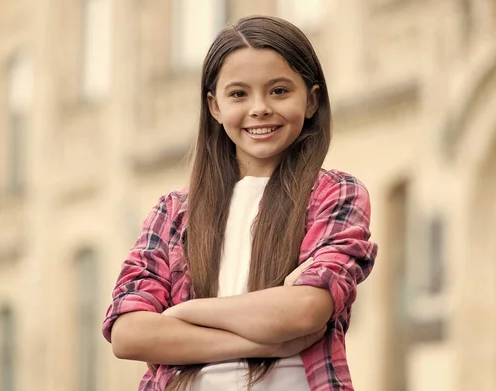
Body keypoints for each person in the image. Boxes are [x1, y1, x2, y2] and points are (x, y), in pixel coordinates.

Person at [102, 15, 378, 391]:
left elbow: (306, 311)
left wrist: (181, 315)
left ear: (312, 100)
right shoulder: (172, 214)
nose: (260, 107)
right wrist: (261, 340)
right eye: (239, 94)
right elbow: (128, 334)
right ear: (214, 107)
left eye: (279, 91)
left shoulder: (336, 194)